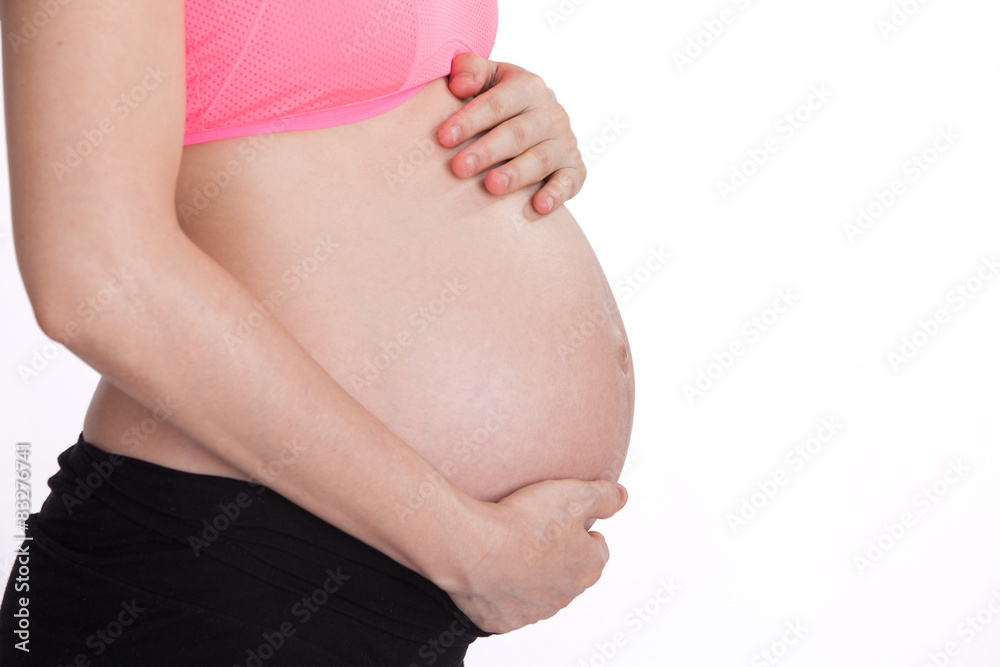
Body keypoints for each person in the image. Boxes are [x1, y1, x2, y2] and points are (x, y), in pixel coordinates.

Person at [0, 0, 635, 664]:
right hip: (217, 571)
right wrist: (464, 544)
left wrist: (511, 107)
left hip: (404, 585)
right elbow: (96, 278)